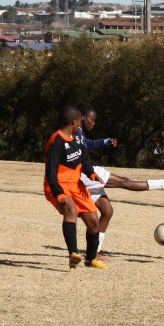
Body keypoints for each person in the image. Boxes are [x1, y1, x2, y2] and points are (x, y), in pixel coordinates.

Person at [75, 103, 164, 260]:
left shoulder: (79, 133)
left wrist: (105, 141)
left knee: (107, 211)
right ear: (82, 118)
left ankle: (95, 252)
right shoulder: (73, 132)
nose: (94, 123)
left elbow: (87, 145)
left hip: (85, 174)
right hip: (85, 174)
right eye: (92, 120)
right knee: (125, 182)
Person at [45, 105, 105, 269]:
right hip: (58, 184)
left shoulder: (77, 137)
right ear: (73, 122)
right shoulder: (56, 141)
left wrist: (91, 173)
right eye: (79, 120)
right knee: (70, 210)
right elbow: (50, 172)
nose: (81, 123)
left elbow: (84, 158)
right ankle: (73, 254)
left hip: (76, 184)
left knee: (93, 220)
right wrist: (58, 192)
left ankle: (91, 259)